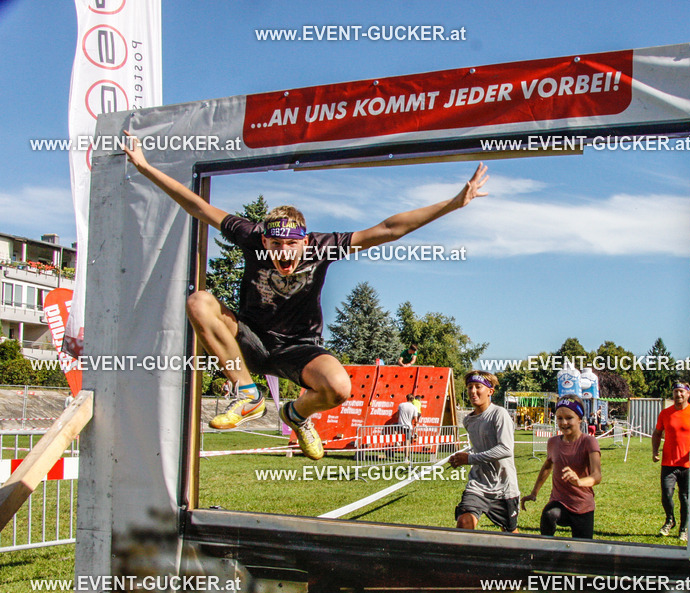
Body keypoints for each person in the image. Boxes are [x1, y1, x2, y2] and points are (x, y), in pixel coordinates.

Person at [121, 131, 488, 460]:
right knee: (199, 302)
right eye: (274, 245)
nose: (283, 253)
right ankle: (247, 393)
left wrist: (452, 203)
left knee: (340, 388)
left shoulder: (322, 246)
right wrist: (145, 168)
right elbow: (198, 206)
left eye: (291, 246)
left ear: (305, 241)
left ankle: (296, 415)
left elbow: (388, 229)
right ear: (263, 240)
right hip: (248, 339)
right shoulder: (250, 236)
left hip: (299, 348)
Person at [521, 394, 602, 540]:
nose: (564, 423)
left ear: (579, 418)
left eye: (569, 418)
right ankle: (546, 549)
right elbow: (548, 465)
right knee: (549, 514)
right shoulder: (553, 442)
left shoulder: (589, 442)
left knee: (583, 549)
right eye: (559, 418)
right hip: (559, 502)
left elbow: (597, 475)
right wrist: (534, 493)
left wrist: (579, 482)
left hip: (582, 506)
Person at [448, 371, 519, 532]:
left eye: (478, 387)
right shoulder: (468, 420)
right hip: (478, 484)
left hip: (504, 487)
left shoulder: (499, 414)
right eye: (470, 387)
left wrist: (469, 459)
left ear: (490, 391)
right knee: (464, 522)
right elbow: (479, 448)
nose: (473, 391)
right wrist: (459, 458)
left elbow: (506, 449)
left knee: (510, 535)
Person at [651, 382, 690, 539]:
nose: (678, 394)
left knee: (685, 497)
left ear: (688, 394)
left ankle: (684, 529)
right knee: (666, 495)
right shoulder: (665, 413)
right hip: (669, 463)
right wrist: (655, 451)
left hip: (688, 464)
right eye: (675, 391)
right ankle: (670, 520)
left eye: (681, 391)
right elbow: (657, 433)